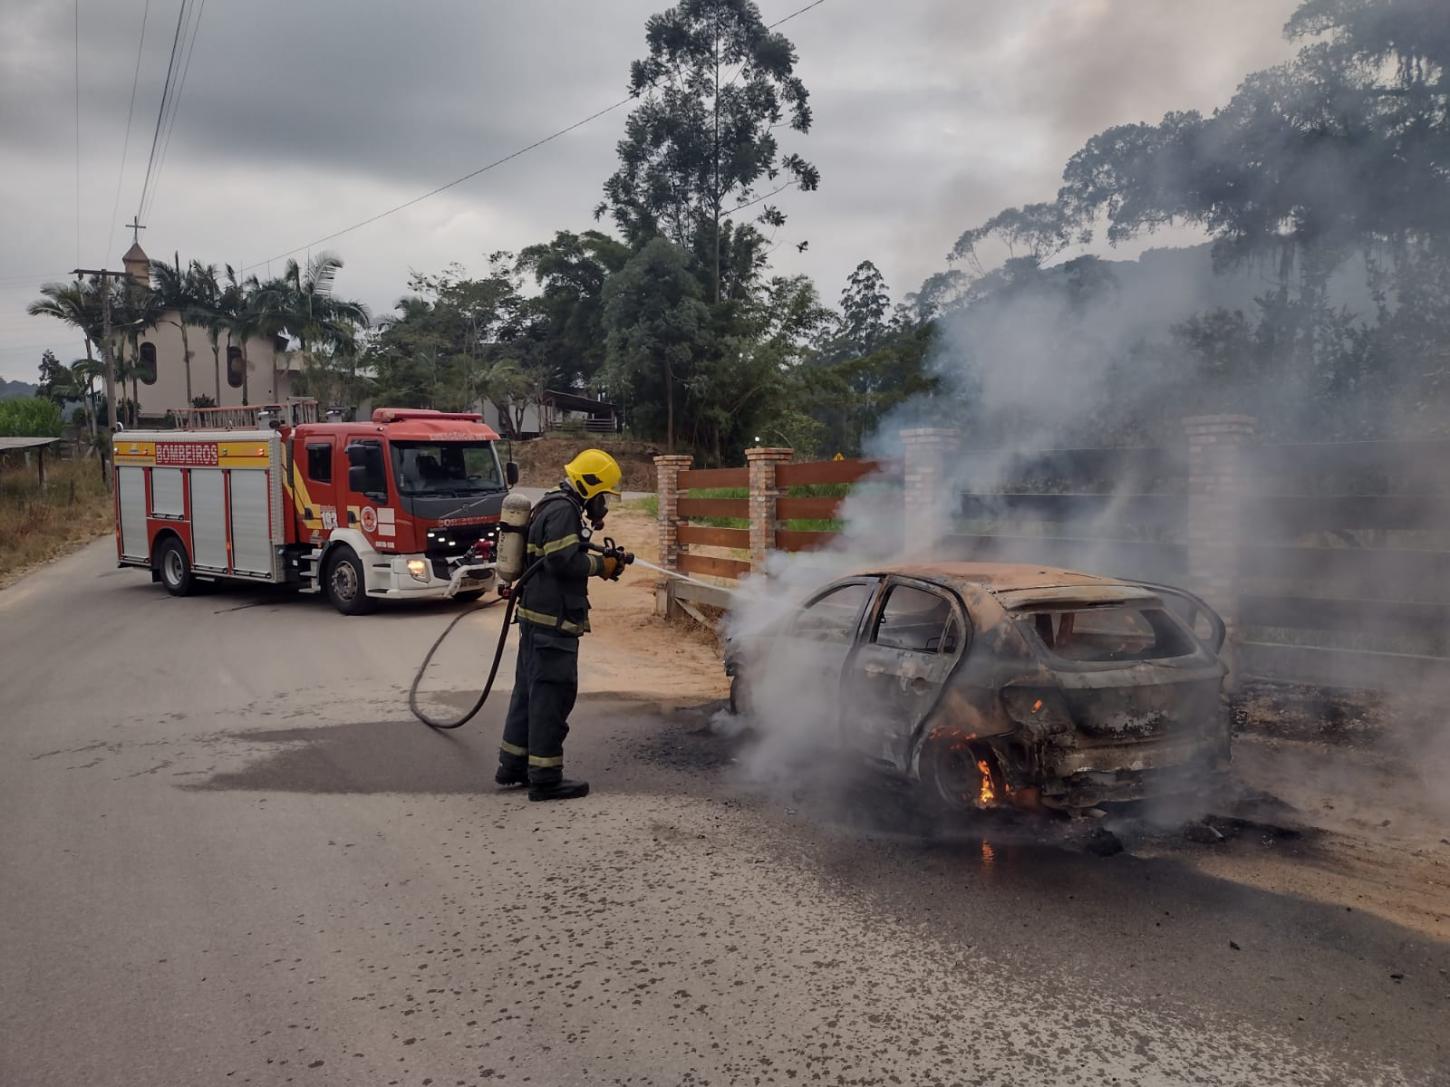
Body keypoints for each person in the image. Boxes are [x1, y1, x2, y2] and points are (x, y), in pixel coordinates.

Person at [496, 449, 632, 801]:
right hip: (552, 624)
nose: (604, 504)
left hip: (536, 620)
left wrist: (603, 559)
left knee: (529, 694)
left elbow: (562, 552)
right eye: (604, 495)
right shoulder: (563, 510)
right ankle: (545, 777)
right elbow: (562, 561)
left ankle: (513, 765)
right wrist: (603, 568)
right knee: (551, 696)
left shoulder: (552, 505)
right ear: (590, 486)